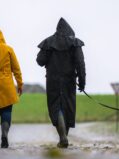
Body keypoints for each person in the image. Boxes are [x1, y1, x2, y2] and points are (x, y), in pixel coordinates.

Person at [36, 18, 86, 148]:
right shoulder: (75, 43)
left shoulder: (49, 42)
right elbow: (80, 64)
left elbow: (40, 61)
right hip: (69, 81)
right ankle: (64, 137)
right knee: (67, 108)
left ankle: (62, 137)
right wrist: (82, 81)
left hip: (52, 81)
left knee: (56, 107)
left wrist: (49, 54)